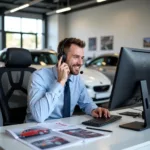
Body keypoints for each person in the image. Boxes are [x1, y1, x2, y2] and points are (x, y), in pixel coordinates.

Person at [25, 37, 110, 123]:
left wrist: (94, 109)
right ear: (62, 58)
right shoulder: (39, 76)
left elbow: (86, 103)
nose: (80, 63)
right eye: (76, 57)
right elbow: (39, 116)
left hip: (64, 128)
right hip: (36, 129)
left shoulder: (76, 78)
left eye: (82, 58)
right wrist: (60, 82)